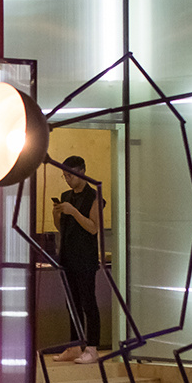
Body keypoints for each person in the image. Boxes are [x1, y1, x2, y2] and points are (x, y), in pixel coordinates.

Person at [50, 155, 105, 364]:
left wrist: (73, 212)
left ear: (82, 172)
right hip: (68, 256)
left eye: (70, 176)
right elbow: (61, 228)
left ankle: (92, 347)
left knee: (88, 302)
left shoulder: (94, 196)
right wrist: (57, 214)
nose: (67, 180)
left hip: (85, 257)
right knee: (71, 304)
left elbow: (93, 227)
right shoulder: (66, 196)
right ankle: (74, 345)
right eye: (64, 176)